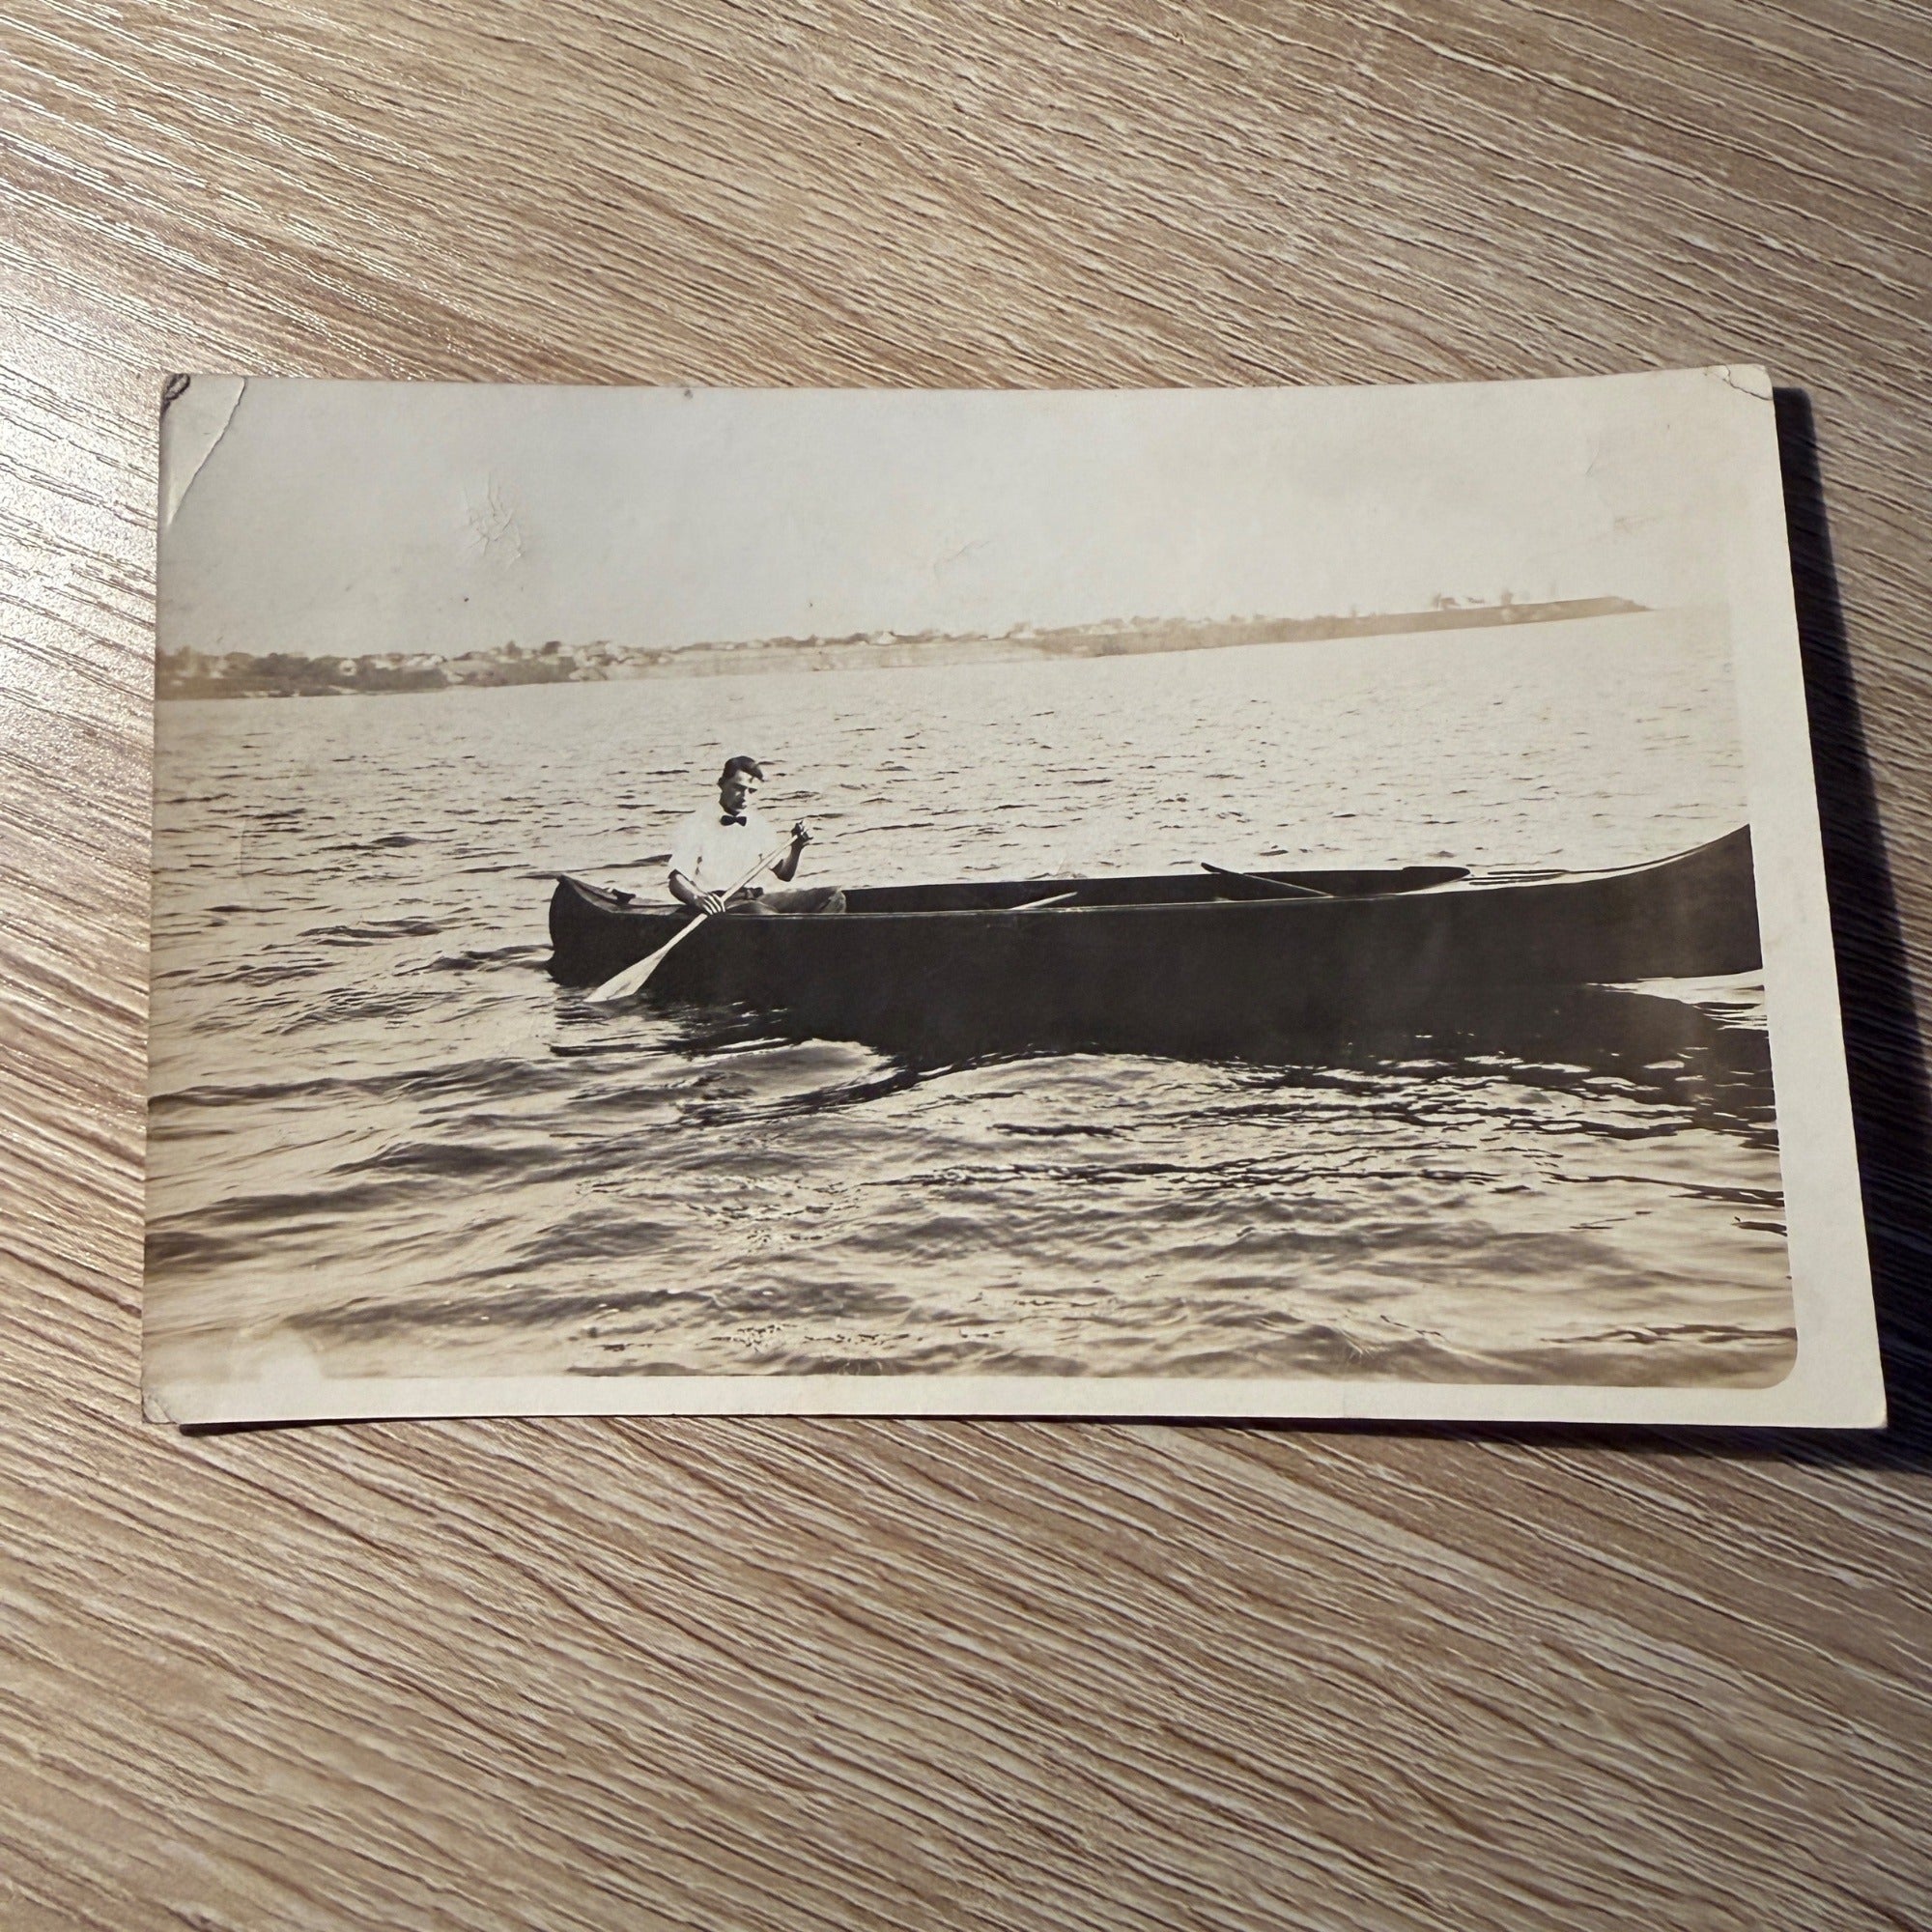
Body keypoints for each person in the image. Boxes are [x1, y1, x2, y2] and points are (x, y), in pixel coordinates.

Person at [668, 756, 843, 917]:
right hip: (721, 904)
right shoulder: (697, 823)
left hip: (755, 897)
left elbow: (784, 873)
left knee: (833, 896)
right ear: (721, 783)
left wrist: (797, 847)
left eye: (751, 791)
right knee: (762, 914)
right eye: (738, 788)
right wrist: (698, 898)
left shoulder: (758, 824)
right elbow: (676, 880)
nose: (745, 798)